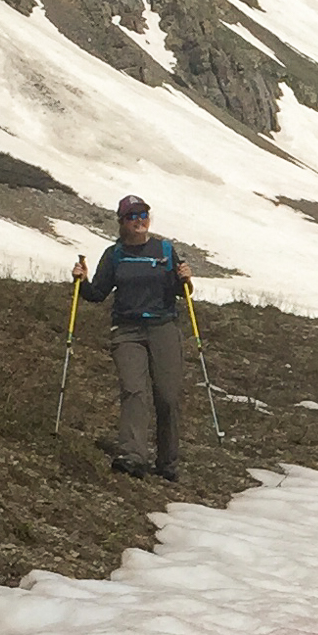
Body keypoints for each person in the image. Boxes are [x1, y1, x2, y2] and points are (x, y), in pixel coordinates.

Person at [74, 197, 190, 480]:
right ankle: (132, 454)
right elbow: (97, 294)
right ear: (122, 222)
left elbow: (180, 291)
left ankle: (167, 461)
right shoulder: (114, 255)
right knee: (133, 390)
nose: (139, 220)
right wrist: (81, 281)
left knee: (167, 395)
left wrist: (186, 278)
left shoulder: (164, 250)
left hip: (163, 327)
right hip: (126, 330)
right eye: (132, 216)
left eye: (144, 214)